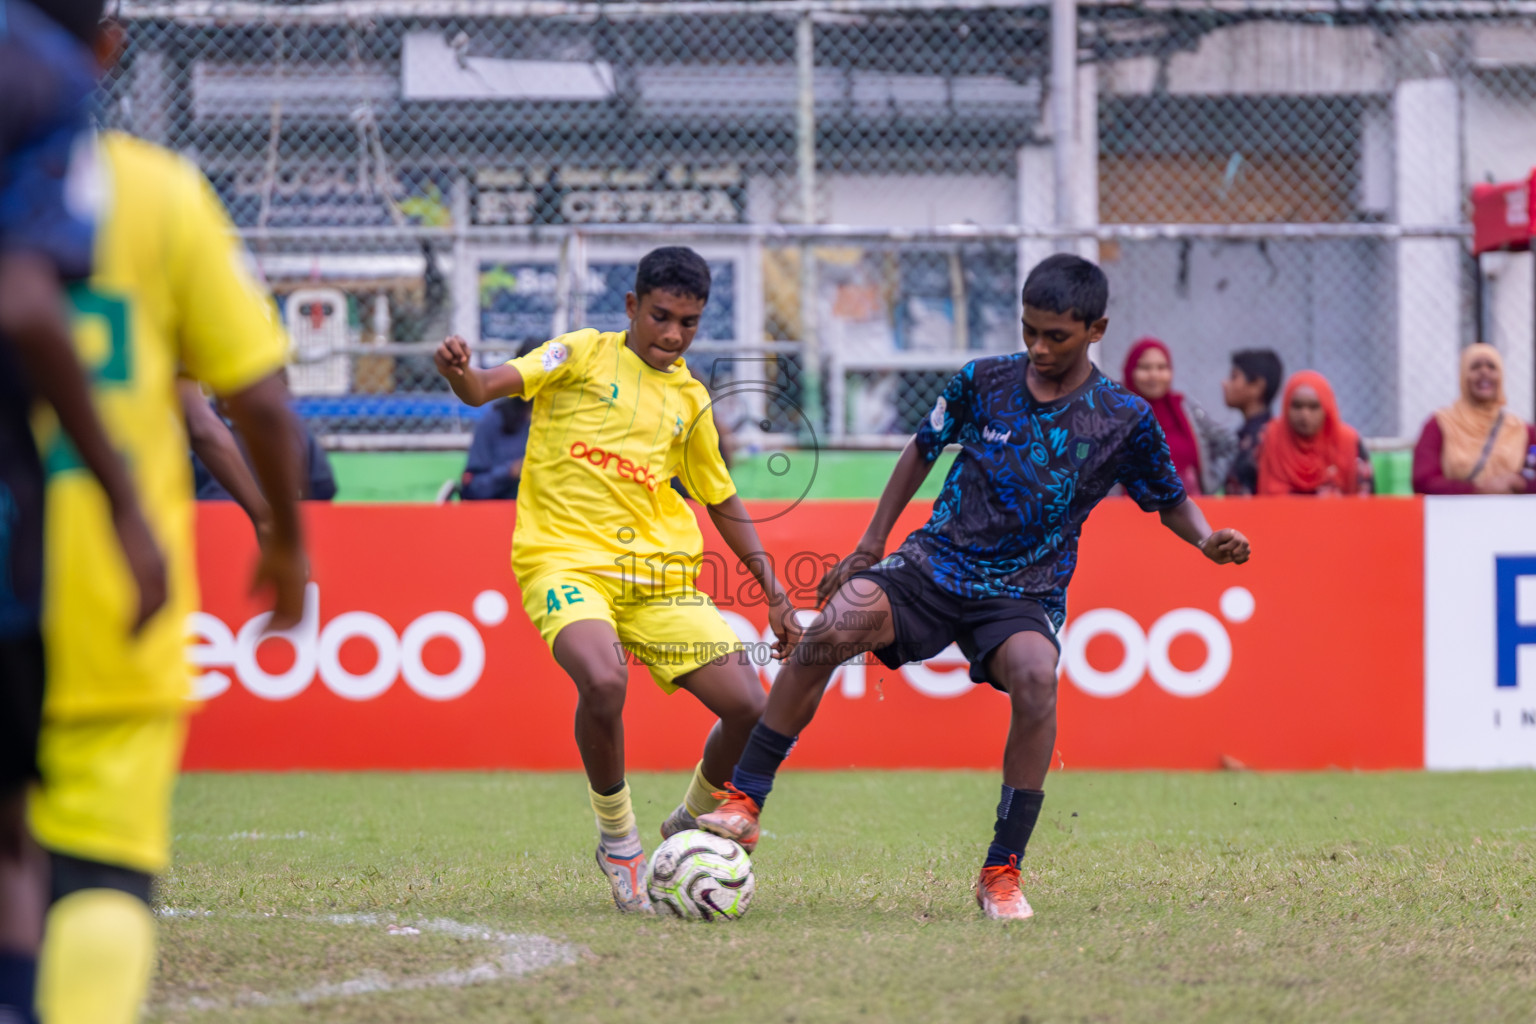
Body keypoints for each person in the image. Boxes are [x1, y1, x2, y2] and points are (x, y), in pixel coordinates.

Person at [697, 254, 1251, 921]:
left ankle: (1001, 871)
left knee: (1037, 678)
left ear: (1096, 329)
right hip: (935, 564)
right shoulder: (982, 380)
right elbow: (923, 448)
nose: (1039, 349)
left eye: (1057, 336)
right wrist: (874, 542)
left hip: (1024, 591)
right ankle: (746, 798)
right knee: (835, 625)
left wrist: (1204, 538)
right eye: (1029, 331)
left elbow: (1168, 499)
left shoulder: (1123, 418)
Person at [24, 34, 311, 1022]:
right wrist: (283, 535)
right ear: (106, 48)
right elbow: (250, 401)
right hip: (107, 581)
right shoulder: (155, 195)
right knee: (99, 869)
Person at [434, 246, 795, 913]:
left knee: (750, 707)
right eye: (661, 317)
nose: (673, 335)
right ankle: (618, 840)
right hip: (562, 561)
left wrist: (774, 592)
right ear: (631, 307)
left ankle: (686, 824)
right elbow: (485, 388)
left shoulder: (689, 398)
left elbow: (720, 498)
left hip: (657, 581)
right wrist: (461, 373)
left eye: (689, 323)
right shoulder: (575, 355)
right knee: (603, 679)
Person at [0, 4, 166, 1022]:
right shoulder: (49, 90)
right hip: (20, 520)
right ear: (104, 44)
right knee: (20, 830)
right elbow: (25, 302)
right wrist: (123, 497)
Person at [1412, 343, 1536, 495]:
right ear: (1463, 376)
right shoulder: (1440, 424)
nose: (1484, 372)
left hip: (1512, 517)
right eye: (1475, 367)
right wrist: (1478, 489)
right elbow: (1423, 481)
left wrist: (1519, 484)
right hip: (1452, 516)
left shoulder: (1522, 430)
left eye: (1492, 367)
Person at [1122, 337, 1234, 495]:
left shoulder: (1186, 410)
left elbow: (1228, 444)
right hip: (1126, 515)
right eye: (1145, 367)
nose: (1154, 375)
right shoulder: (1114, 416)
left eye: (1162, 367)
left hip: (1188, 513)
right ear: (1130, 371)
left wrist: (1210, 483)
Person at [1257, 370, 1374, 496]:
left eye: (1314, 407)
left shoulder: (1349, 442)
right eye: (1297, 406)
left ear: (1326, 408)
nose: (1304, 415)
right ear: (1286, 407)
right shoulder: (1270, 438)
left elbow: (1367, 501)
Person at [458, 340, 540, 501]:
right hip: (501, 513)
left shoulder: (567, 420)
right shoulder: (496, 420)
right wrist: (512, 471)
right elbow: (471, 488)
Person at [1220, 348, 1284, 496]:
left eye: (1234, 377)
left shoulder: (1267, 438)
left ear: (1257, 386)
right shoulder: (1245, 435)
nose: (1224, 383)